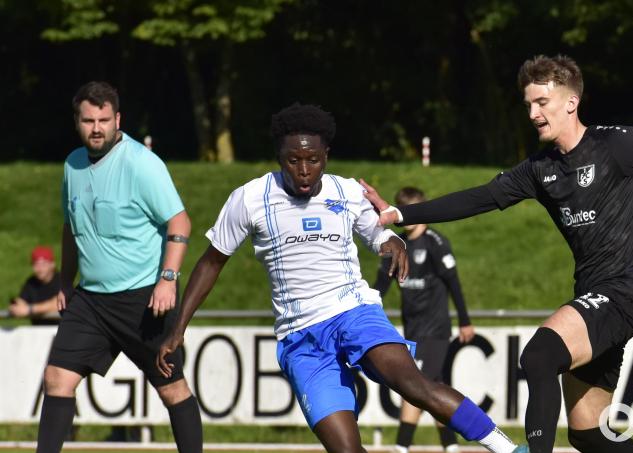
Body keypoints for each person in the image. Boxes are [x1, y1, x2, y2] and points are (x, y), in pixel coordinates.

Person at [360, 54, 633, 453]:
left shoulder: (617, 144)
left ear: (571, 102)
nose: (533, 113)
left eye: (542, 102)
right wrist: (401, 213)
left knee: (538, 355)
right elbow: (481, 197)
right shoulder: (540, 168)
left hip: (621, 295)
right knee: (587, 433)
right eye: (528, 105)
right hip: (593, 299)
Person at [156, 103, 524, 453]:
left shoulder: (346, 192)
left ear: (326, 155)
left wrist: (393, 241)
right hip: (301, 339)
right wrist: (178, 329)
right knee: (345, 448)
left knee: (414, 385)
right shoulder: (250, 199)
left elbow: (378, 233)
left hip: (354, 313)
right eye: (293, 160)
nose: (303, 170)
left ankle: (506, 448)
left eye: (312, 160)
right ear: (278, 157)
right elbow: (211, 263)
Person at [37, 81, 201, 453]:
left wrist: (168, 280)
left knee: (173, 388)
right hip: (91, 301)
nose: (97, 128)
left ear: (118, 119)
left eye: (104, 120)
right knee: (56, 378)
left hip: (143, 299)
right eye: (89, 120)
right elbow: (70, 226)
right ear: (77, 122)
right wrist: (65, 282)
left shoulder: (142, 164)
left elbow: (180, 223)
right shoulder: (72, 164)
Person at [374, 187, 475, 453]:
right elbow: (380, 286)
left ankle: (401, 446)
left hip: (436, 328)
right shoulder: (395, 245)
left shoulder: (435, 243)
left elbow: (454, 284)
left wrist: (465, 320)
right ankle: (451, 447)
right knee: (434, 388)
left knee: (416, 385)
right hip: (412, 328)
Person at [9, 246, 61, 325]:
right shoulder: (31, 282)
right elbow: (22, 301)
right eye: (36, 264)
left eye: (43, 264)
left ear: (52, 264)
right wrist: (16, 307)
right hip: (38, 331)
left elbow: (60, 304)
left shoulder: (61, 280)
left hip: (61, 330)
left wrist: (30, 309)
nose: (40, 269)